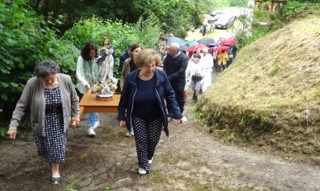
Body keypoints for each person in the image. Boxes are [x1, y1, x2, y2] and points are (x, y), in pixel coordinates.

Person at [7, 60, 80, 184]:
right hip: (41, 121)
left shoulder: (66, 79)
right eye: (47, 80)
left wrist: (75, 115)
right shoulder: (32, 83)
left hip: (60, 119)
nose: (50, 82)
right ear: (39, 77)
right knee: (44, 149)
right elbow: (21, 105)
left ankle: (55, 170)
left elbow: (74, 99)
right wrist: (13, 125)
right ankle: (51, 159)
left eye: (52, 78)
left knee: (57, 147)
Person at [118, 49, 185, 175]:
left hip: (156, 115)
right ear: (140, 64)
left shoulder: (161, 76)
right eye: (147, 66)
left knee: (153, 140)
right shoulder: (132, 77)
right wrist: (121, 115)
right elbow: (124, 98)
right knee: (141, 140)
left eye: (153, 66)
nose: (150, 69)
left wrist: (177, 114)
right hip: (138, 115)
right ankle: (143, 164)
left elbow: (170, 95)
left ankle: (148, 156)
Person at [76, 42, 100, 137]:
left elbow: (100, 71)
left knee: (93, 105)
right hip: (85, 85)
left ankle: (91, 127)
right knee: (85, 104)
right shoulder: (81, 59)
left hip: (95, 85)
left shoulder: (97, 59)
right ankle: (95, 120)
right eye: (91, 53)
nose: (92, 55)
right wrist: (86, 84)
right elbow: (79, 73)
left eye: (94, 53)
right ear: (86, 52)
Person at [120, 44, 143, 137]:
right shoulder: (127, 62)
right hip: (129, 87)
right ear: (132, 53)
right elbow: (123, 74)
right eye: (136, 51)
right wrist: (122, 86)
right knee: (130, 109)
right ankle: (130, 129)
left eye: (140, 51)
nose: (138, 53)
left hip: (141, 87)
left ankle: (139, 127)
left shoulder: (144, 62)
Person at [163, 43, 188, 117]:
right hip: (169, 80)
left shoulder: (183, 58)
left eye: (170, 49)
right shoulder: (168, 56)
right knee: (169, 96)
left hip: (179, 81)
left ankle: (180, 111)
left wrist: (169, 77)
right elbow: (165, 66)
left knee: (179, 97)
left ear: (175, 51)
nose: (168, 51)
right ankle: (170, 112)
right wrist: (165, 74)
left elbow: (181, 71)